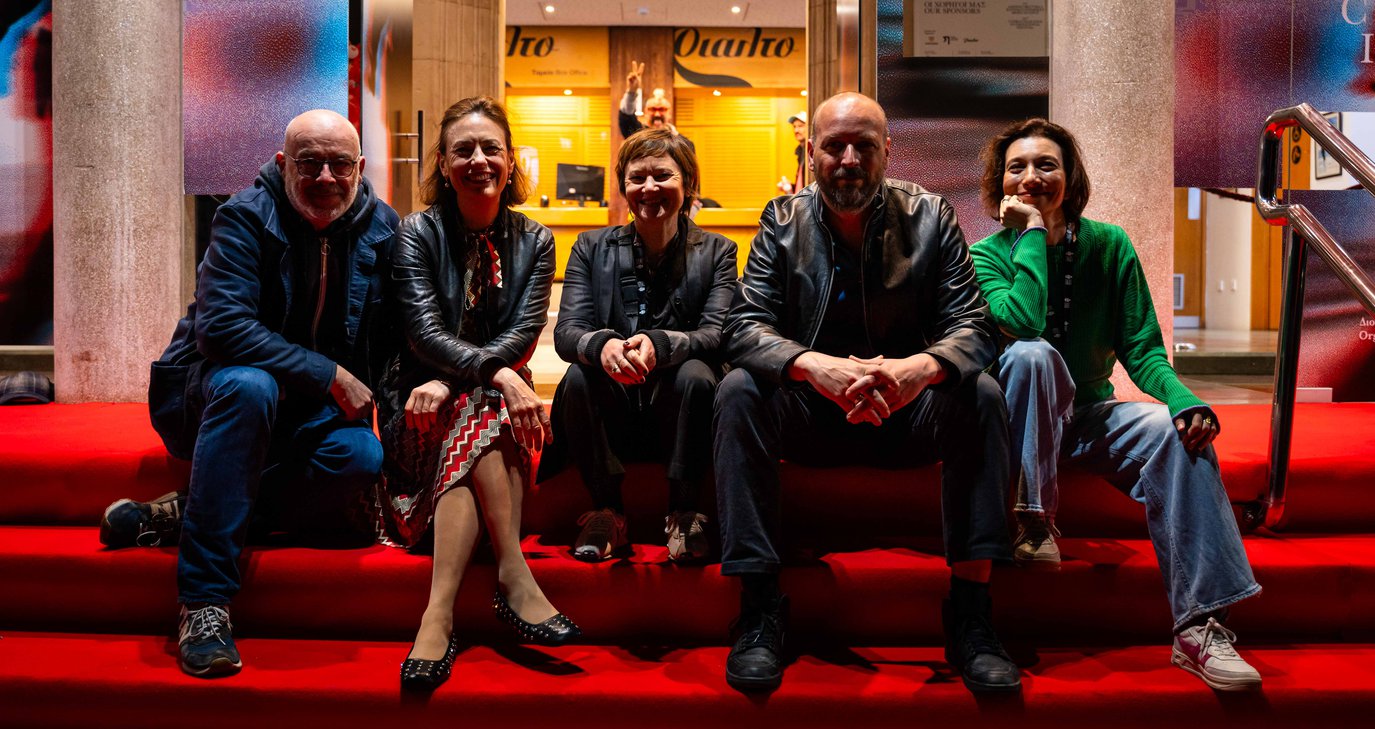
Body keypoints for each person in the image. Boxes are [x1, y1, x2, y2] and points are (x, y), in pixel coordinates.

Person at [713, 92, 1018, 694]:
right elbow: (743, 326)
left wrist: (920, 369)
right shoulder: (782, 219)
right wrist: (809, 365)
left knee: (981, 393)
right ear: (811, 151)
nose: (849, 159)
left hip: (906, 414)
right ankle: (759, 610)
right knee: (738, 390)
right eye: (835, 146)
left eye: (864, 146)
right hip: (811, 413)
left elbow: (976, 326)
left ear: (887, 151)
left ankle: (972, 615)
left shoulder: (931, 214)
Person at [969, 117, 1263, 691]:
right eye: (1016, 167)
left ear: (1070, 177)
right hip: (1013, 426)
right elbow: (1022, 321)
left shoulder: (1109, 245)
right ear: (999, 183)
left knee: (1175, 434)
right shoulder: (985, 256)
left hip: (1088, 417)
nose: (1031, 177)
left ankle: (1200, 628)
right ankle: (1033, 521)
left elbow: (1142, 349)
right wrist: (1032, 235)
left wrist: (1182, 400)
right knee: (1031, 354)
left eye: (1046, 165)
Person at [104, 109, 399, 678]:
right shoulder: (243, 216)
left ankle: (186, 511)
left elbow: (389, 339)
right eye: (309, 163)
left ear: (360, 168)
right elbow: (221, 329)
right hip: (214, 396)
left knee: (360, 456)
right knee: (250, 383)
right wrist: (328, 374)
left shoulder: (383, 228)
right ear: (284, 164)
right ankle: (204, 602)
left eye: (340, 164)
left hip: (307, 414)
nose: (325, 178)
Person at [375, 96, 577, 692]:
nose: (479, 160)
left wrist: (471, 375)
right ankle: (513, 573)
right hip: (419, 398)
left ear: (511, 162)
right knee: (487, 402)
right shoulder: (414, 233)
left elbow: (524, 331)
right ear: (442, 163)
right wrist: (497, 374)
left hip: (480, 396)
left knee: (483, 404)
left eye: (492, 148)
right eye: (463, 150)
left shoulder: (537, 239)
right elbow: (422, 332)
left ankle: (437, 618)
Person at [546, 128, 737, 563]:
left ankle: (684, 512)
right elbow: (568, 331)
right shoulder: (590, 246)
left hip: (682, 414)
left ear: (689, 183)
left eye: (663, 176)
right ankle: (607, 511)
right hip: (612, 414)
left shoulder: (719, 251)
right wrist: (602, 346)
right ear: (624, 187)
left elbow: (717, 334)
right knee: (578, 375)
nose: (649, 188)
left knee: (698, 373)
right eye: (637, 178)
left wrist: (660, 343)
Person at [619, 61, 695, 153]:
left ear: (669, 113)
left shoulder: (684, 145)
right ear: (646, 112)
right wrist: (631, 91)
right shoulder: (636, 135)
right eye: (653, 109)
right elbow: (626, 117)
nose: (657, 114)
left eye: (662, 109)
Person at [776, 110, 807, 195]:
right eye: (794, 126)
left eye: (800, 126)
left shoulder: (812, 152)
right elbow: (803, 187)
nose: (796, 130)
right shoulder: (801, 151)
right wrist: (790, 187)